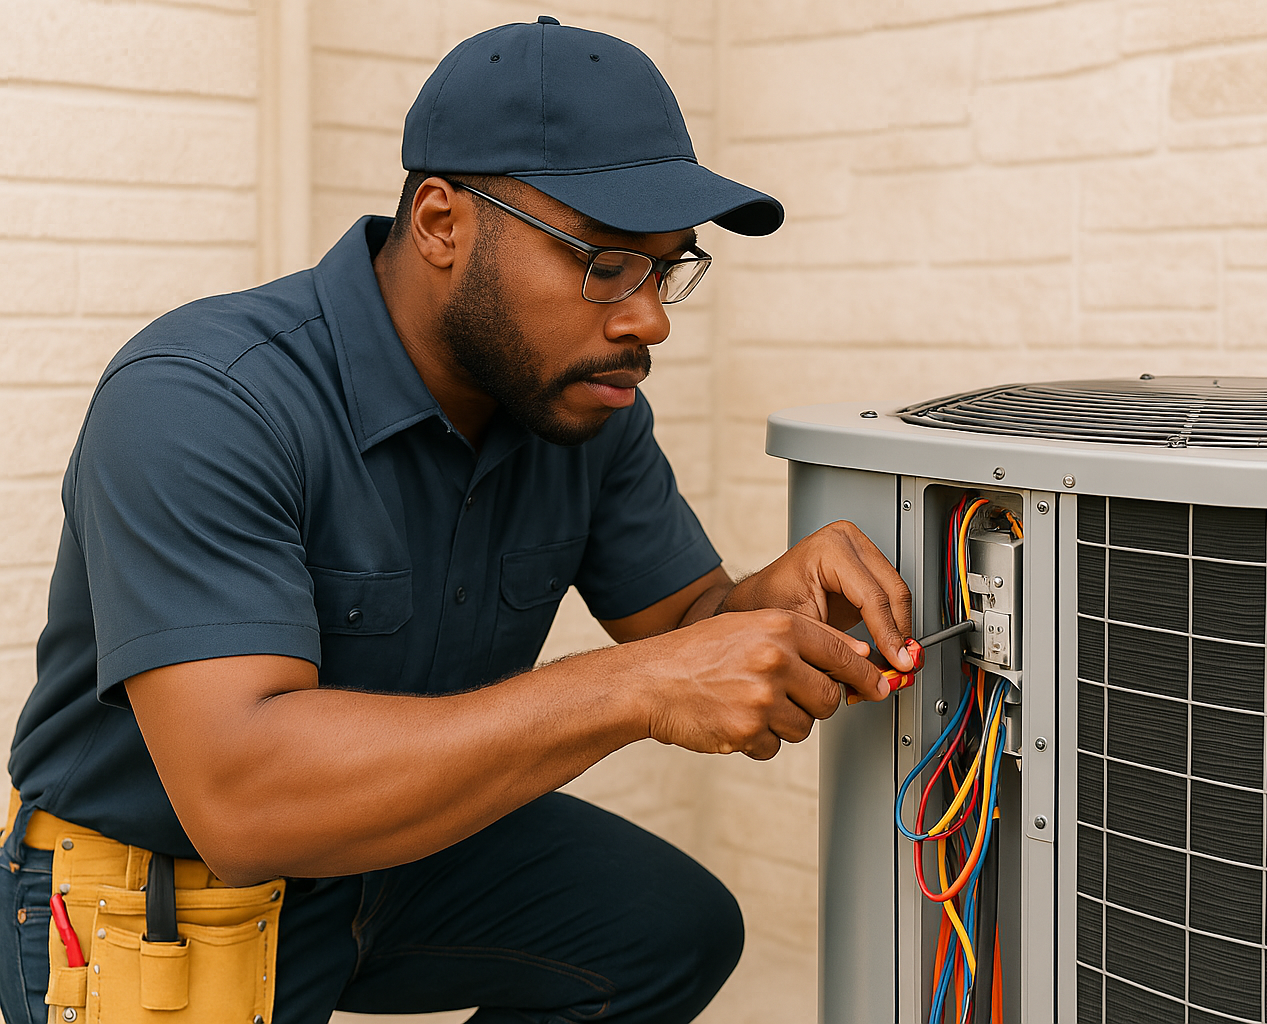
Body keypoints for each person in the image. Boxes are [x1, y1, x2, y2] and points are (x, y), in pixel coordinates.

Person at [0, 17, 913, 1024]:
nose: (649, 318)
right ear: (441, 223)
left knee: (666, 926)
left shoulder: (581, 405)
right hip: (166, 889)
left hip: (400, 856)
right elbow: (243, 801)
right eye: (605, 262)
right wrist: (638, 686)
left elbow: (684, 622)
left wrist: (761, 610)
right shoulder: (203, 397)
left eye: (667, 268)